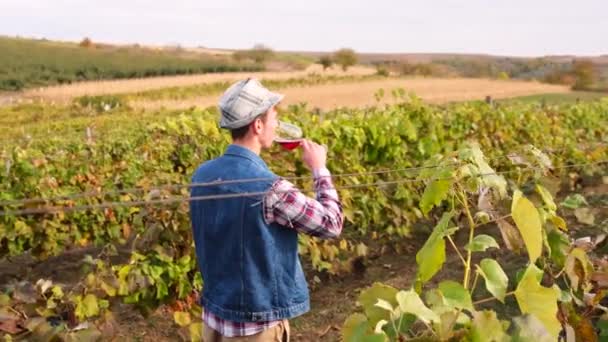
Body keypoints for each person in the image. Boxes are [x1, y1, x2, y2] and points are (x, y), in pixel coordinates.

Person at [190, 78, 344, 341]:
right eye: (274, 116)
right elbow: (331, 224)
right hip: (256, 326)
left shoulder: (201, 175)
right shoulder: (273, 189)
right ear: (258, 125)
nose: (277, 124)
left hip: (215, 318)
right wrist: (319, 168)